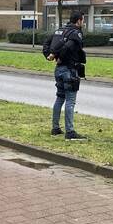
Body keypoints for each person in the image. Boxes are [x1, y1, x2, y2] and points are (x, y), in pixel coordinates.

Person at [43, 11, 87, 141]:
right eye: (83, 20)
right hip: (69, 69)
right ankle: (70, 131)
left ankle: (55, 128)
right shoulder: (76, 33)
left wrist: (50, 56)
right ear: (79, 21)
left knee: (60, 98)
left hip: (58, 70)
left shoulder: (59, 31)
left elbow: (46, 43)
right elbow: (68, 47)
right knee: (70, 101)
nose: (83, 23)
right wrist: (59, 55)